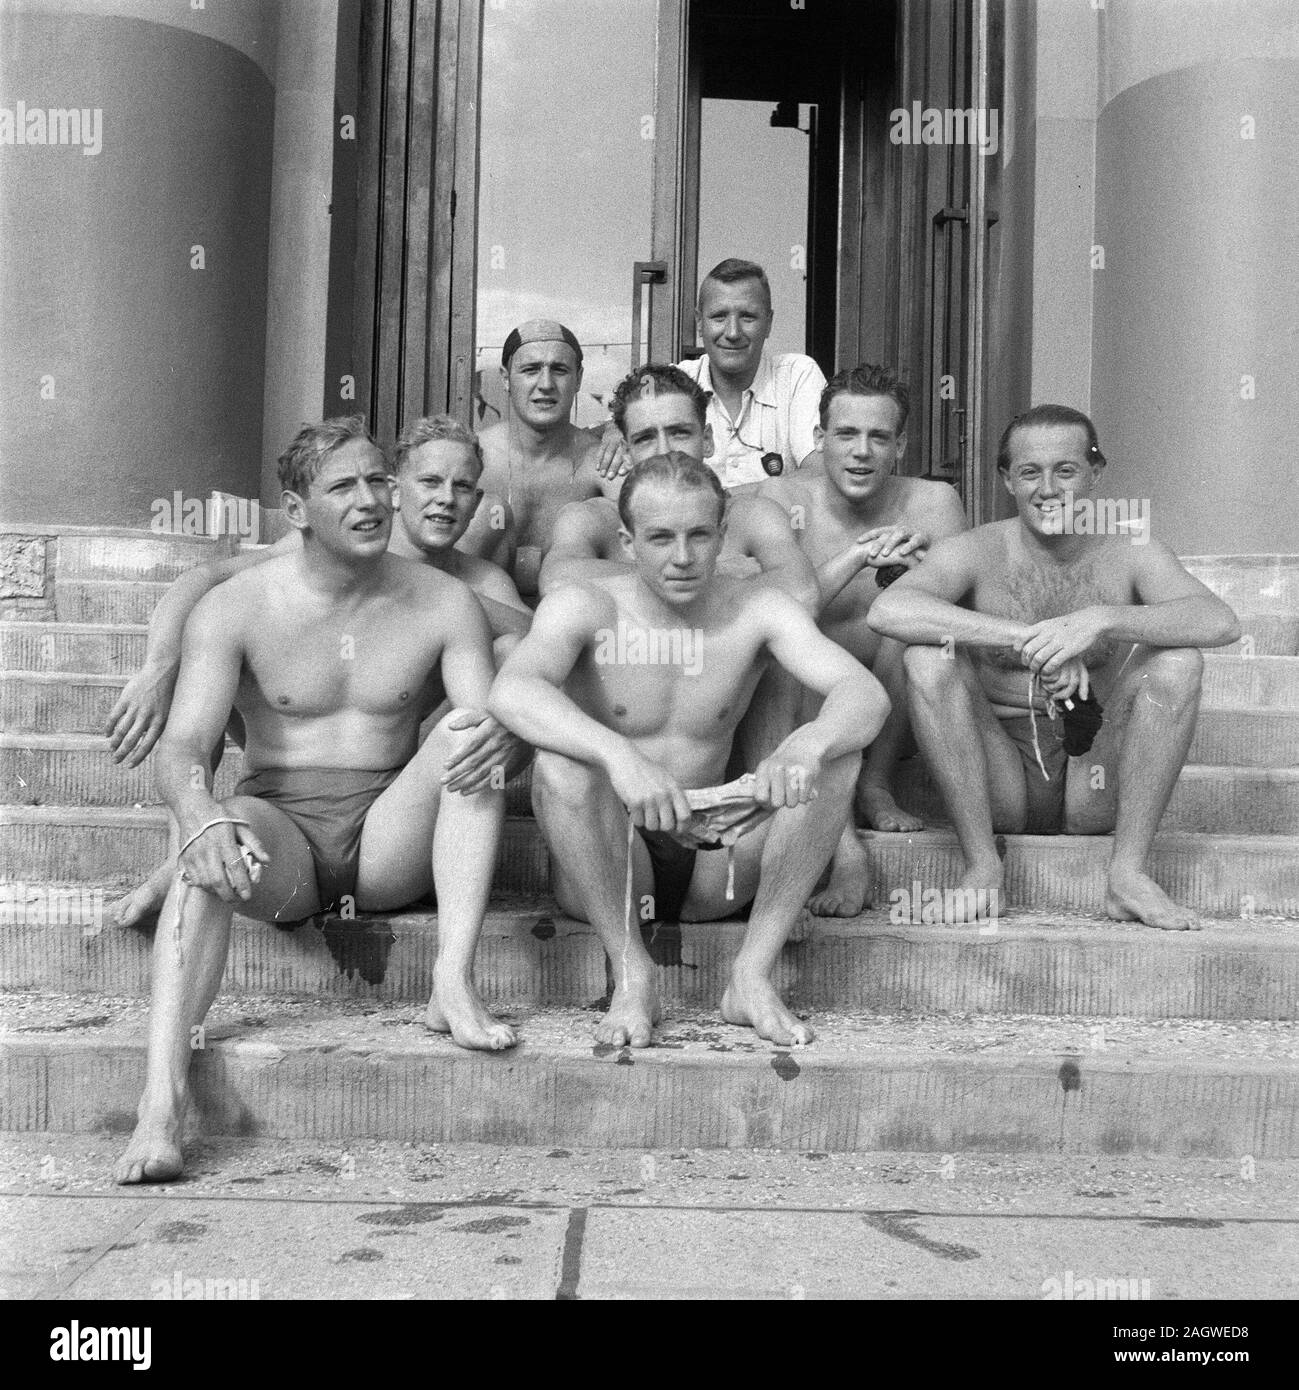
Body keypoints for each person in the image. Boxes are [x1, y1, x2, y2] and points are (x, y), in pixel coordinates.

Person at [115, 418, 521, 1185]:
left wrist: (508, 734)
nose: (370, 500)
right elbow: (182, 748)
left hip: (388, 840)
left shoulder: (443, 601)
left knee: (471, 730)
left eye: (377, 480)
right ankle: (162, 1103)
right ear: (297, 510)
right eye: (343, 487)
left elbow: (492, 737)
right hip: (282, 837)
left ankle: (451, 983)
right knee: (215, 838)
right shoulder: (237, 606)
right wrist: (199, 818)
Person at [489, 452, 889, 1049]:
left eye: (700, 535)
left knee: (836, 757)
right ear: (626, 541)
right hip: (620, 856)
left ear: (723, 535)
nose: (682, 557)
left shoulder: (757, 607)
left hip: (722, 854)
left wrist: (807, 743)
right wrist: (618, 756)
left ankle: (751, 976)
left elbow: (865, 693)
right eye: (660, 538)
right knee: (562, 765)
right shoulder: (585, 605)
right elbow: (513, 689)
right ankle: (632, 973)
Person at [107, 415, 531, 928]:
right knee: (204, 669)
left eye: (463, 487)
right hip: (291, 750)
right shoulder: (327, 542)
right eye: (429, 482)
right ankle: (184, 853)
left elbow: (539, 648)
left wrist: (443, 596)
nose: (446, 499)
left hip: (403, 766)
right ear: (398, 490)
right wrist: (158, 667)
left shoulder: (471, 585)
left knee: (511, 670)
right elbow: (205, 581)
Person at [868, 404, 1241, 928]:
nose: (1048, 488)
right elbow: (890, 609)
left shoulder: (1131, 548)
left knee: (1178, 662)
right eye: (1029, 472)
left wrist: (1102, 621)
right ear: (1006, 479)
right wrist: (1030, 640)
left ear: (1094, 473)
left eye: (1065, 470)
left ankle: (1127, 875)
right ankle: (981, 868)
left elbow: (1219, 621)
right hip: (1000, 776)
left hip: (1093, 768)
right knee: (928, 658)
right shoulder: (976, 549)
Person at [757, 364, 968, 915]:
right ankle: (841, 834)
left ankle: (875, 784)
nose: (861, 452)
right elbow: (776, 611)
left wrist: (919, 576)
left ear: (900, 444)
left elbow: (962, 616)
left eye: (879, 437)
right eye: (846, 434)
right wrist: (857, 558)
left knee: (915, 629)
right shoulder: (781, 498)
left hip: (892, 697)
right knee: (788, 645)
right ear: (820, 439)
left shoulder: (933, 503)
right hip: (809, 695)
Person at [541, 364, 817, 610]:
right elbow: (556, 583)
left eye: (679, 433)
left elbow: (802, 593)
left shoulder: (752, 515)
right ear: (625, 452)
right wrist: (710, 571)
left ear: (707, 440)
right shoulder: (593, 519)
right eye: (646, 438)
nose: (663, 449)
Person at [597, 259, 826, 490]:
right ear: (699, 323)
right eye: (719, 317)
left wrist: (721, 501)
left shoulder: (797, 375)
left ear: (768, 323)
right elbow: (631, 409)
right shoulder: (677, 379)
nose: (733, 332)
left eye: (747, 317)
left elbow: (818, 475)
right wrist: (615, 427)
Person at [458, 319, 616, 596]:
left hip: (575, 623)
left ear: (578, 378)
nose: (545, 384)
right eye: (530, 370)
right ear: (506, 378)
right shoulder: (473, 457)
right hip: (481, 622)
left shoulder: (602, 462)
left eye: (559, 370)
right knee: (484, 514)